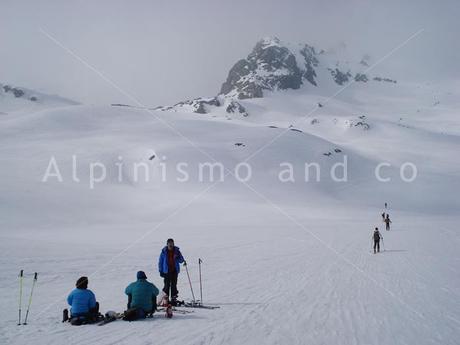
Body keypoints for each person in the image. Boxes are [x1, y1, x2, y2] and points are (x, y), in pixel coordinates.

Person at [158, 238, 186, 305]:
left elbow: (181, 260)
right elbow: (160, 262)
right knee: (166, 285)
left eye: (172, 243)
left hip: (174, 271)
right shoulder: (164, 252)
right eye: (169, 243)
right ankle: (166, 300)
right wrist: (160, 271)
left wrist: (177, 257)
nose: (171, 245)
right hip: (166, 271)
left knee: (174, 285)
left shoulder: (177, 251)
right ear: (167, 244)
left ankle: (173, 299)